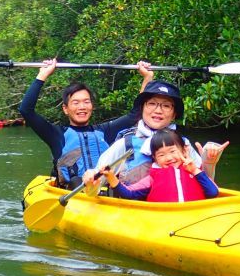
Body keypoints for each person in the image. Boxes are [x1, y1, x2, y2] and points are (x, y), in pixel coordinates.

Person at [18, 58, 154, 188]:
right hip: (73, 193)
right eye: (75, 103)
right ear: (65, 109)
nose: (82, 107)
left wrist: (147, 78)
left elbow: (136, 114)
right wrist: (43, 74)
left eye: (86, 102)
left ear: (92, 106)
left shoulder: (105, 131)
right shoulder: (56, 135)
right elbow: (26, 110)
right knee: (76, 181)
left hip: (105, 192)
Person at [82, 79, 229, 193]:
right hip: (136, 213)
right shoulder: (125, 144)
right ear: (143, 108)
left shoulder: (183, 145)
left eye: (166, 106)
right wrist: (90, 180)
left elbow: (208, 186)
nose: (158, 110)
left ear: (174, 114)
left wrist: (209, 163)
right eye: (152, 103)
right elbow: (94, 187)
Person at [101, 129, 218, 201]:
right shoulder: (152, 178)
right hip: (163, 221)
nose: (168, 158)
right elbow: (129, 193)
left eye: (172, 151)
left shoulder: (195, 172)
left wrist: (195, 171)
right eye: (161, 155)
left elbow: (213, 192)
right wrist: (111, 177)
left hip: (193, 217)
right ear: (155, 159)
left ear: (184, 151)